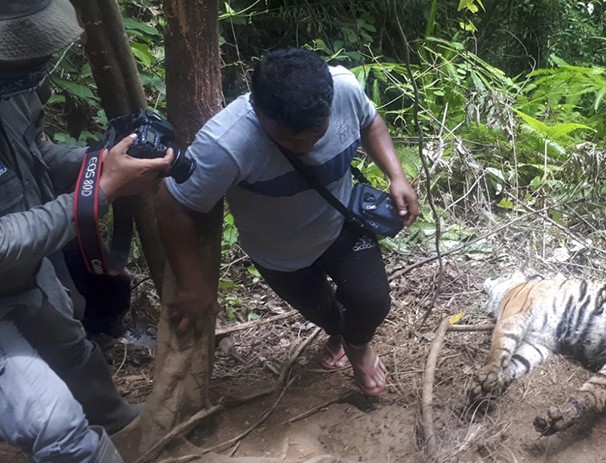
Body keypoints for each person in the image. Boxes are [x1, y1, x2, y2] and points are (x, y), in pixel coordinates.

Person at [156, 48, 420, 396]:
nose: (307, 147)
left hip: (339, 224)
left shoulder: (343, 89)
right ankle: (338, 334)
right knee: (327, 316)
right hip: (280, 255)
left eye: (317, 134)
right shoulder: (226, 144)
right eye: (293, 140)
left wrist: (396, 175)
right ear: (258, 111)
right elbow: (172, 203)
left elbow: (369, 121)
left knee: (373, 301)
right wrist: (191, 284)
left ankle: (357, 346)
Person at [0, 0, 174, 461]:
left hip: (28, 273)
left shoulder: (13, 85)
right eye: (19, 50)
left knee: (72, 349)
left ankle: (115, 418)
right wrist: (102, 192)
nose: (34, 59)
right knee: (55, 427)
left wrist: (99, 165)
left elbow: (34, 149)